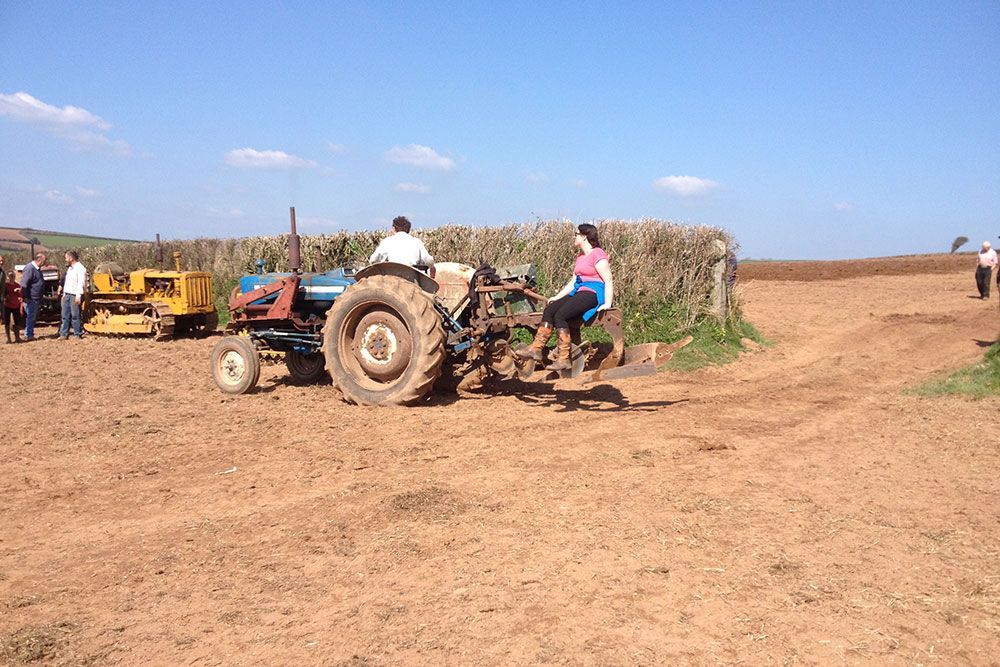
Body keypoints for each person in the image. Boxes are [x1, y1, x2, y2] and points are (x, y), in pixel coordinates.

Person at [515, 223, 614, 371]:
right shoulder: (580, 257)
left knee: (561, 316)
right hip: (579, 291)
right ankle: (536, 349)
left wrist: (608, 302)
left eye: (576, 234)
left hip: (593, 292)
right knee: (549, 310)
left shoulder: (598, 254)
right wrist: (557, 296)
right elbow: (573, 282)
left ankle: (564, 359)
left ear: (584, 236)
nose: (574, 237)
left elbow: (608, 280)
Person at [369, 216, 435, 269]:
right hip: (412, 278)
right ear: (409, 230)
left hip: (392, 278)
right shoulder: (417, 242)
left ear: (394, 228)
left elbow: (373, 260)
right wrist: (432, 267)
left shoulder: (387, 242)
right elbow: (428, 260)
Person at [58, 250, 87, 339]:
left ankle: (77, 333)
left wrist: (78, 295)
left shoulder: (80, 268)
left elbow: (81, 283)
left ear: (71, 258)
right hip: (67, 294)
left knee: (75, 315)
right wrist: (64, 294)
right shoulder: (70, 268)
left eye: (66, 257)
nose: (65, 259)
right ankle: (64, 334)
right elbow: (67, 283)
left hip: (74, 295)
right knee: (65, 315)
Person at [19, 252, 47, 341]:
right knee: (31, 316)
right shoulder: (30, 268)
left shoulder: (37, 269)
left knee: (32, 316)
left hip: (35, 298)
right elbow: (24, 283)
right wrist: (23, 296)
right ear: (39, 260)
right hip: (31, 298)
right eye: (44, 260)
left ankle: (29, 333)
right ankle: (28, 334)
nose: (45, 263)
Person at [4, 270, 22, 343]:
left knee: (17, 322)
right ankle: (8, 338)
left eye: (13, 276)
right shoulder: (5, 285)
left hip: (15, 305)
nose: (12, 277)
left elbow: (20, 295)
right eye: (10, 276)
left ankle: (17, 338)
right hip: (7, 305)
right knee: (7, 322)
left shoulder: (17, 285)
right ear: (8, 277)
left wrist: (19, 292)